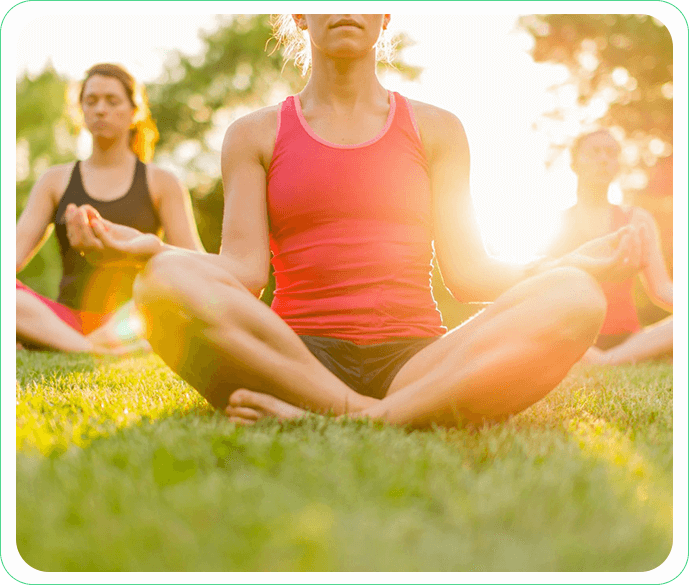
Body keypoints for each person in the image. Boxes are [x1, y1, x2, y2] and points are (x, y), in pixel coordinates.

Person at [68, 15, 646, 427]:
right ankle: (372, 415)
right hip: (294, 358)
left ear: (385, 16)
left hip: (417, 361)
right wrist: (149, 248)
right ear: (299, 15)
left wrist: (568, 262)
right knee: (163, 280)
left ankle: (367, 415)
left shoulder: (438, 129)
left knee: (576, 295)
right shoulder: (254, 134)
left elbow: (469, 274)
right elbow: (241, 274)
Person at [16, 63, 203, 354]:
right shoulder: (54, 180)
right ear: (81, 111)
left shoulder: (162, 182)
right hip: (66, 321)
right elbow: (11, 258)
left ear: (134, 112)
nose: (100, 109)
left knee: (177, 290)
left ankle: (71, 344)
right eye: (91, 101)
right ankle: (91, 348)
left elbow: (194, 263)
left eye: (112, 101)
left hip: (136, 317)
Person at [547, 129, 673, 365]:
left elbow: (662, 289)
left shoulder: (638, 219)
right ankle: (602, 359)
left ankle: (606, 360)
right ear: (574, 163)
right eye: (594, 152)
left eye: (611, 153)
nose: (604, 159)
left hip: (629, 340)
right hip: (572, 336)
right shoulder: (556, 224)